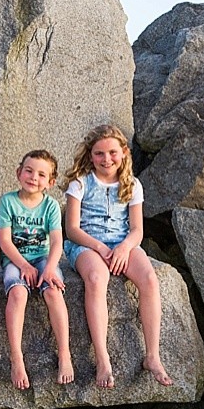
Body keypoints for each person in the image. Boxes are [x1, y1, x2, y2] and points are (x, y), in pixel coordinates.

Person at [62, 124, 173, 389]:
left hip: (122, 242)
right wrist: (100, 249)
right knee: (97, 278)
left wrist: (123, 248)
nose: (106, 159)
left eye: (112, 152)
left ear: (123, 152)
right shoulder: (80, 183)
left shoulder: (132, 185)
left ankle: (152, 355)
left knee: (149, 279)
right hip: (87, 245)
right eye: (99, 154)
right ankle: (103, 359)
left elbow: (137, 230)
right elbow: (72, 229)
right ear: (91, 156)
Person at [0, 150, 73, 389]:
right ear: (18, 172)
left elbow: (57, 241)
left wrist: (50, 268)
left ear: (50, 183)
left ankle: (64, 354)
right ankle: (16, 357)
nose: (33, 177)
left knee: (52, 291)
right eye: (28, 171)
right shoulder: (8, 201)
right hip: (16, 260)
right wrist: (23, 265)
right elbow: (5, 241)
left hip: (43, 258)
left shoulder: (50, 206)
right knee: (18, 293)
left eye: (41, 174)